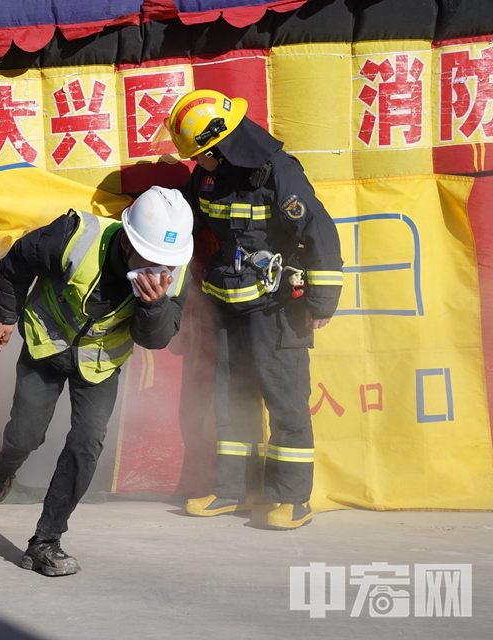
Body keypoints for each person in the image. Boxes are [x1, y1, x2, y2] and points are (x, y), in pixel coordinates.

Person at [0, 186, 194, 576]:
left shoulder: (172, 277)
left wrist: (154, 305)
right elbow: (18, 261)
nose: (159, 268)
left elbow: (154, 340)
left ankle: (45, 542)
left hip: (101, 361)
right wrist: (6, 314)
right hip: (48, 343)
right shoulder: (76, 236)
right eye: (151, 256)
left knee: (87, 443)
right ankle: (6, 464)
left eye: (167, 261)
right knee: (26, 435)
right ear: (129, 240)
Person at [166, 89, 343, 530]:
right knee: (230, 397)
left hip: (278, 309)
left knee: (285, 400)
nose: (196, 165)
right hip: (228, 306)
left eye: (200, 156)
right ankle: (234, 490)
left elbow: (318, 230)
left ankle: (292, 498)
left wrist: (322, 300)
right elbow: (185, 220)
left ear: (220, 148)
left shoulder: (278, 172)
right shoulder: (206, 177)